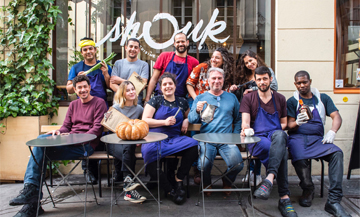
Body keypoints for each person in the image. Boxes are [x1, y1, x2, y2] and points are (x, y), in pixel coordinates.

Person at [9, 75, 107, 217]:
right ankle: (31, 196)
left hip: (85, 147)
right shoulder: (73, 105)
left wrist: (72, 138)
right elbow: (66, 126)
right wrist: (58, 132)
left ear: (90, 87)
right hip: (69, 143)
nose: (83, 90)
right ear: (75, 90)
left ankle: (31, 202)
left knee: (39, 152)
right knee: (40, 144)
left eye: (85, 86)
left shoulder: (99, 103)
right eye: (79, 87)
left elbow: (96, 130)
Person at [287, 71, 350, 217]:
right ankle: (308, 189)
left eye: (305, 82)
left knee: (337, 153)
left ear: (310, 81)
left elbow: (336, 116)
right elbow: (288, 124)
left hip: (317, 139)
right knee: (299, 156)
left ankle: (333, 201)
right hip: (298, 138)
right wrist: (297, 122)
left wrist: (332, 132)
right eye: (299, 83)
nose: (302, 85)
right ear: (295, 84)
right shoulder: (292, 101)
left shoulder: (322, 98)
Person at [240, 66, 297, 217]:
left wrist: (275, 131)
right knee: (281, 150)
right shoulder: (248, 98)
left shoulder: (280, 98)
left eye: (265, 78)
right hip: (256, 138)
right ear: (255, 81)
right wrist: (246, 129)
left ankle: (269, 178)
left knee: (279, 135)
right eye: (259, 79)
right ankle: (284, 198)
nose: (262, 82)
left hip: (275, 135)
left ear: (271, 79)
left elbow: (283, 123)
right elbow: (245, 122)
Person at [141, 73, 198, 205]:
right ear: (160, 88)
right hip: (155, 138)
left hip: (174, 138)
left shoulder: (182, 102)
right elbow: (145, 120)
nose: (168, 86)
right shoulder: (156, 100)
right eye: (164, 84)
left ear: (175, 85)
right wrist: (164, 122)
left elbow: (191, 115)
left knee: (194, 145)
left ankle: (179, 179)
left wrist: (186, 119)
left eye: (170, 83)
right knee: (148, 152)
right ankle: (169, 189)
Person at [188, 67, 243, 196]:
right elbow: (191, 119)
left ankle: (227, 181)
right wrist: (197, 110)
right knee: (203, 164)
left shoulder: (231, 98)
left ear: (223, 80)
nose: (216, 81)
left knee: (238, 164)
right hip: (207, 139)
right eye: (214, 78)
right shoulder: (201, 97)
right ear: (208, 80)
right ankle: (207, 182)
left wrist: (235, 137)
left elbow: (238, 118)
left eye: (219, 78)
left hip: (227, 139)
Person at [66, 37, 112, 184]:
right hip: (83, 106)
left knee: (99, 135)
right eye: (85, 49)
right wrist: (77, 80)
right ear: (82, 52)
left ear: (95, 50)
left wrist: (105, 73)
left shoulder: (103, 65)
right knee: (88, 133)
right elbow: (69, 89)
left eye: (91, 48)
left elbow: (110, 85)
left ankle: (97, 169)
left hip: (100, 105)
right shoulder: (76, 68)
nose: (88, 52)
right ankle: (88, 171)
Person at [186, 47, 235, 185]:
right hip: (199, 101)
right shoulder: (202, 67)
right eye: (213, 57)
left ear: (223, 60)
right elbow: (189, 84)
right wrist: (198, 100)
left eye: (217, 58)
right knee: (195, 128)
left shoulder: (226, 74)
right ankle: (197, 167)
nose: (213, 60)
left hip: (214, 107)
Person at [231, 49, 279, 186]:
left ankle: (257, 174)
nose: (249, 64)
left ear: (256, 58)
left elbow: (274, 86)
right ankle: (251, 172)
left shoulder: (267, 71)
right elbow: (241, 97)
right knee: (250, 142)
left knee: (259, 141)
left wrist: (253, 90)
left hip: (261, 112)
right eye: (246, 63)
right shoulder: (244, 76)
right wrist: (236, 89)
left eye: (251, 61)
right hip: (247, 113)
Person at [107, 81, 146, 203]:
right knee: (128, 150)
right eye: (128, 90)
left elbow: (141, 127)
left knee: (128, 148)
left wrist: (139, 138)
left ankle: (127, 182)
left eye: (133, 89)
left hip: (129, 145)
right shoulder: (115, 108)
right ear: (122, 93)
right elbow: (106, 124)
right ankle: (128, 182)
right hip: (114, 144)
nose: (132, 92)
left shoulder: (139, 109)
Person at [145, 32, 199, 101]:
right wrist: (147, 98)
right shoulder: (164, 56)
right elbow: (154, 79)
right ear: (174, 44)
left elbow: (194, 84)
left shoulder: (194, 62)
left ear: (187, 42)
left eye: (183, 41)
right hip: (161, 98)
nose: (180, 44)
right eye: (178, 42)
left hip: (181, 101)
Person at [110, 38, 149, 106]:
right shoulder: (118, 63)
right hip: (118, 104)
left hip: (135, 105)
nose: (133, 49)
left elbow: (142, 85)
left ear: (139, 50)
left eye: (136, 47)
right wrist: (129, 92)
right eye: (131, 46)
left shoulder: (144, 65)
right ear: (126, 48)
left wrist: (120, 81)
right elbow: (112, 83)